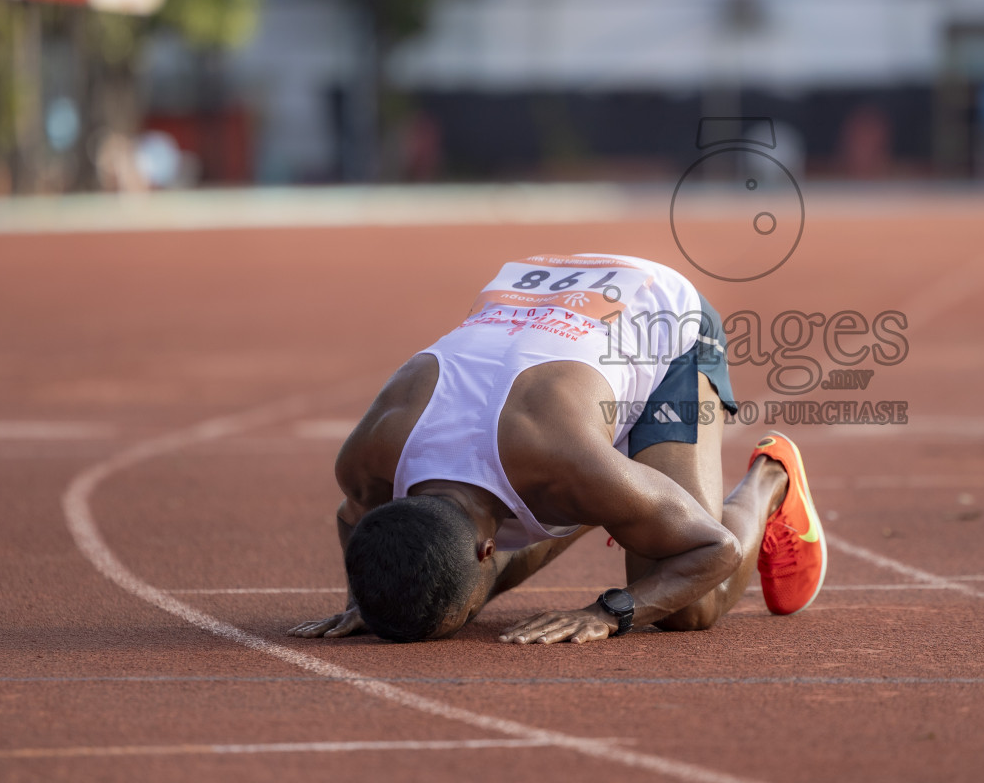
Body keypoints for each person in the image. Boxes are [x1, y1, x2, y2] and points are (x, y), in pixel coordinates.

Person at [288, 253, 825, 644]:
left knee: (690, 609)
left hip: (661, 311)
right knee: (442, 581)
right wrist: (369, 600)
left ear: (486, 547)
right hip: (539, 299)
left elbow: (715, 550)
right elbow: (353, 520)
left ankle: (772, 477)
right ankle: (614, 499)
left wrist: (611, 612)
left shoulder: (564, 460)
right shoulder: (366, 457)